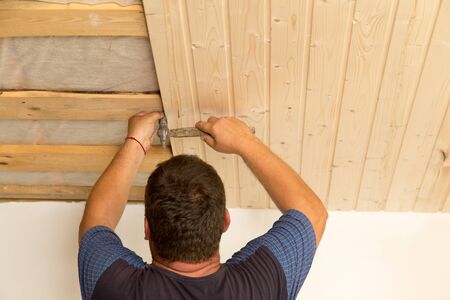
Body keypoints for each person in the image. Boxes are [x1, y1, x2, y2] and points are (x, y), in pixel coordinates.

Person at [78, 111, 328, 300]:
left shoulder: (112, 287)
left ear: (147, 228)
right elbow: (311, 212)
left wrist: (136, 142)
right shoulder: (260, 285)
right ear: (225, 221)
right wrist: (243, 140)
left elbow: (97, 221)